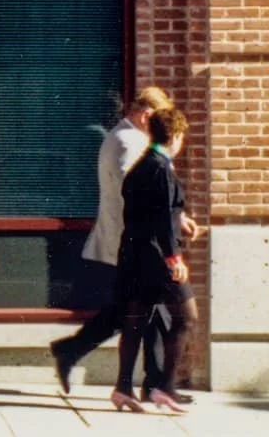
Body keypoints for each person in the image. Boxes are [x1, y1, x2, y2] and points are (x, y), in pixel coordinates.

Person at [50, 85, 172, 393]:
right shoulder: (128, 142)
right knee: (148, 309)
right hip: (134, 242)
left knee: (134, 310)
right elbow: (142, 192)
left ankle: (72, 351)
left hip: (130, 239)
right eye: (157, 119)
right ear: (146, 115)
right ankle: (154, 384)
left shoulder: (123, 137)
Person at [111, 105, 192, 414]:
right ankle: (165, 387)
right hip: (157, 257)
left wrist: (178, 220)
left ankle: (123, 388)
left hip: (134, 254)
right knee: (187, 316)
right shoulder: (161, 168)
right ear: (174, 136)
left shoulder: (143, 165)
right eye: (181, 135)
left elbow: (152, 213)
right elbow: (161, 220)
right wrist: (175, 258)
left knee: (135, 321)